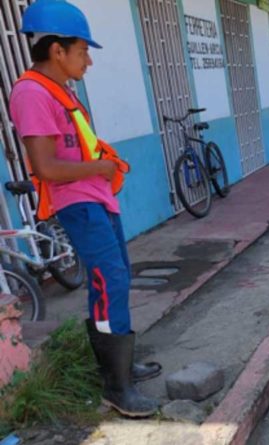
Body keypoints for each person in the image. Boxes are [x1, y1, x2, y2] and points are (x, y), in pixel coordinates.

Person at [10, 0, 159, 417]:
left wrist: (101, 170)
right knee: (109, 281)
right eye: (83, 50)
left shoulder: (61, 92)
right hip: (79, 204)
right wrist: (102, 165)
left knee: (113, 281)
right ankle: (117, 387)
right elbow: (45, 166)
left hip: (97, 199)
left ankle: (121, 369)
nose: (88, 61)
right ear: (57, 50)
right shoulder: (32, 93)